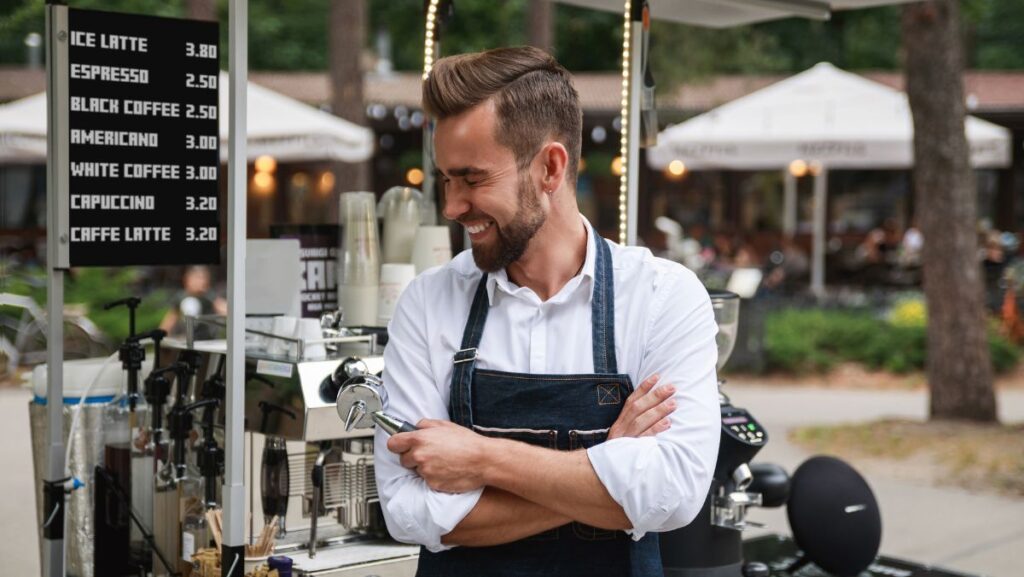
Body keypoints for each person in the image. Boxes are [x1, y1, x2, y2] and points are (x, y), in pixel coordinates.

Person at [376, 46, 720, 577]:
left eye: (471, 179)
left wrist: (483, 460)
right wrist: (607, 464)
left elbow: (672, 494)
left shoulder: (662, 297)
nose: (450, 206)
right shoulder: (426, 303)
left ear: (550, 168)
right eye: (446, 179)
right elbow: (410, 510)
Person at [159, 265, 226, 340]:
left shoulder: (209, 296)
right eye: (197, 278)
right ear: (187, 279)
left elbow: (224, 310)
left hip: (207, 340)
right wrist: (161, 335)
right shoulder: (181, 297)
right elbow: (170, 319)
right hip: (188, 339)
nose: (201, 281)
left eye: (203, 278)